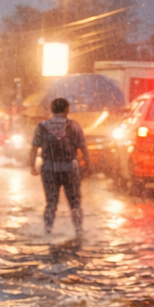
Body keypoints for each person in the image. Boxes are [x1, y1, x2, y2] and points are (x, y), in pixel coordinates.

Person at [29, 97, 90, 235]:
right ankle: (79, 232)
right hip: (70, 169)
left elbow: (34, 148)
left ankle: (48, 232)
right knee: (75, 204)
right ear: (67, 109)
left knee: (51, 204)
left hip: (49, 169)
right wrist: (88, 165)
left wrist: (32, 166)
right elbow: (83, 148)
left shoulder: (42, 126)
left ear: (51, 109)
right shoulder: (74, 125)